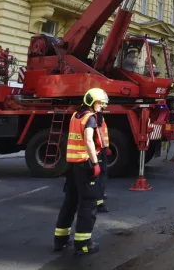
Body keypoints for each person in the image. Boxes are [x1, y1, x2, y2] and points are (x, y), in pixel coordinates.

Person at [53, 88, 107, 256]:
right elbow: (89, 141)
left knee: (70, 201)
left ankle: (60, 240)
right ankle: (83, 244)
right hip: (85, 164)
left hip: (71, 165)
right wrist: (95, 163)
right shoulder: (89, 118)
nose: (102, 106)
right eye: (99, 103)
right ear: (91, 102)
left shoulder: (75, 116)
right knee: (88, 204)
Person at [95, 111, 111, 213]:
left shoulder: (80, 115)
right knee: (101, 176)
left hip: (96, 150)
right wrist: (105, 146)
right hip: (100, 149)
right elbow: (100, 130)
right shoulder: (98, 114)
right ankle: (99, 203)